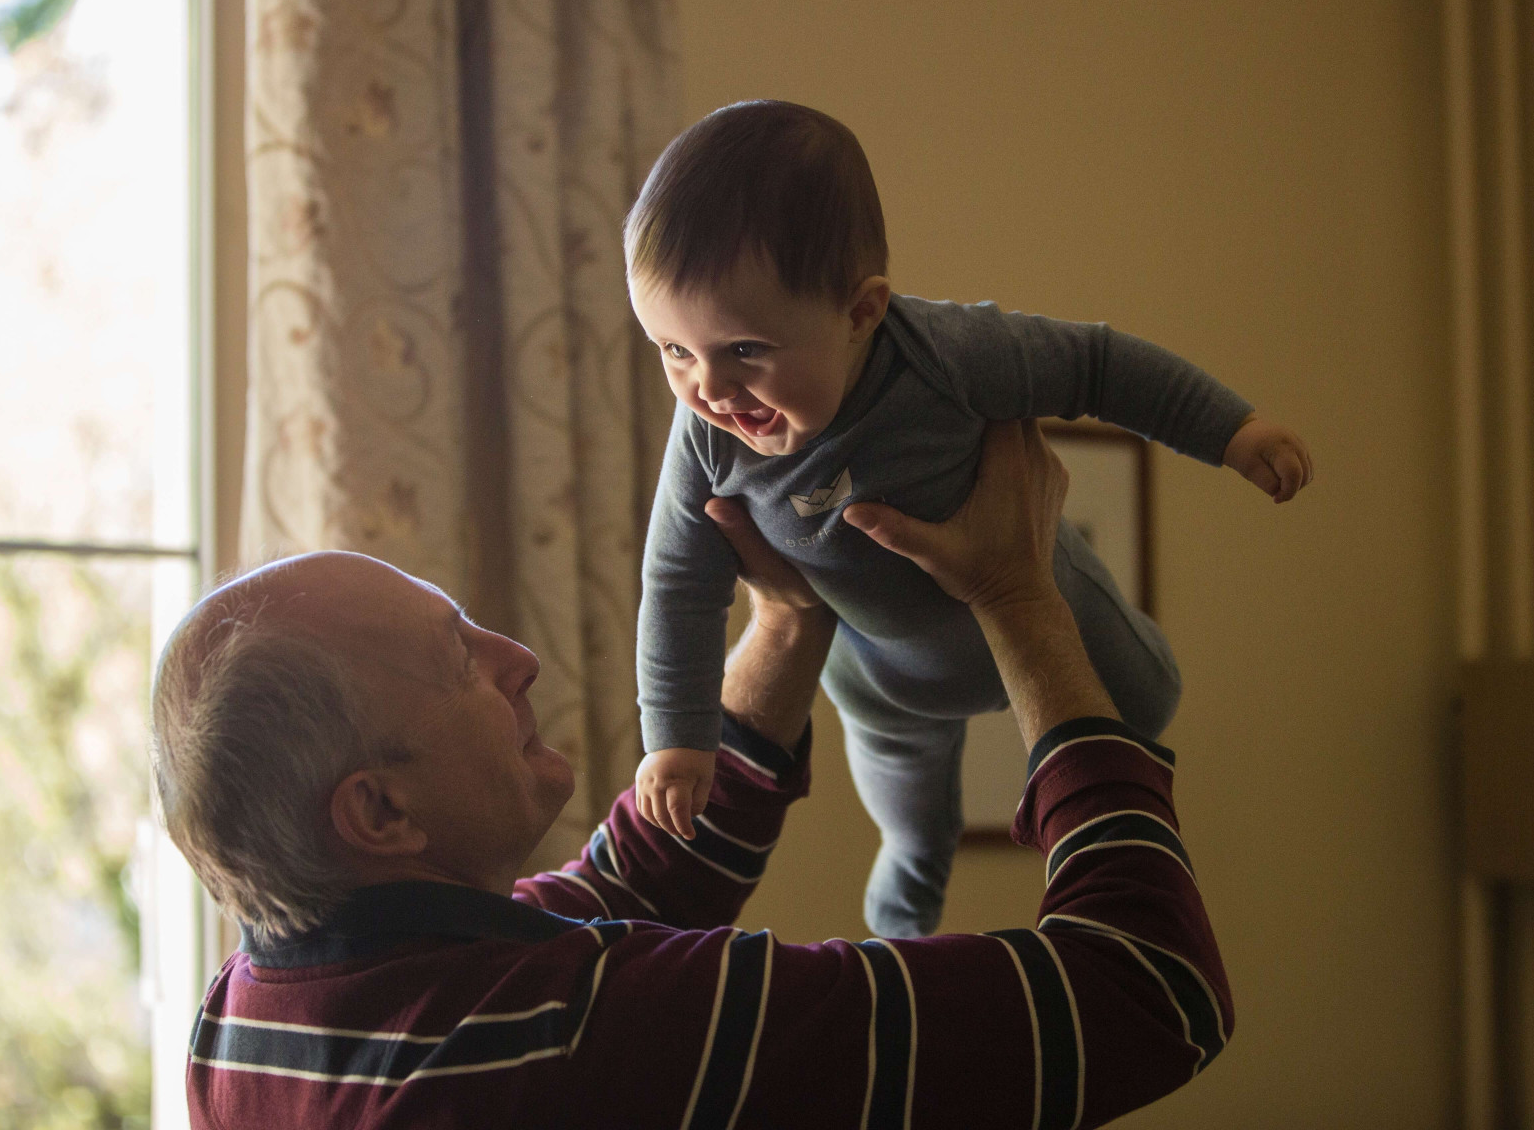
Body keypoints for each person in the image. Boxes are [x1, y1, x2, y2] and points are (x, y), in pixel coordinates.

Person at [152, 420, 1233, 1129]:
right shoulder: (585, 1036)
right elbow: (1147, 988)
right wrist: (1019, 595)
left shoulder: (245, 1020)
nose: (516, 658)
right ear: (380, 809)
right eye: (458, 659)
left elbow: (633, 881)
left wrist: (789, 615)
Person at [628, 99, 1314, 935]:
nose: (709, 388)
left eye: (745, 350)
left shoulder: (947, 355)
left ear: (860, 313)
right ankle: (902, 930)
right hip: (885, 681)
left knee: (1149, 701)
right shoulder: (705, 438)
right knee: (915, 829)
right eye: (672, 350)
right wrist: (676, 737)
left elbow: (1097, 365)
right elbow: (677, 583)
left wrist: (1232, 431)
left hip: (1044, 598)